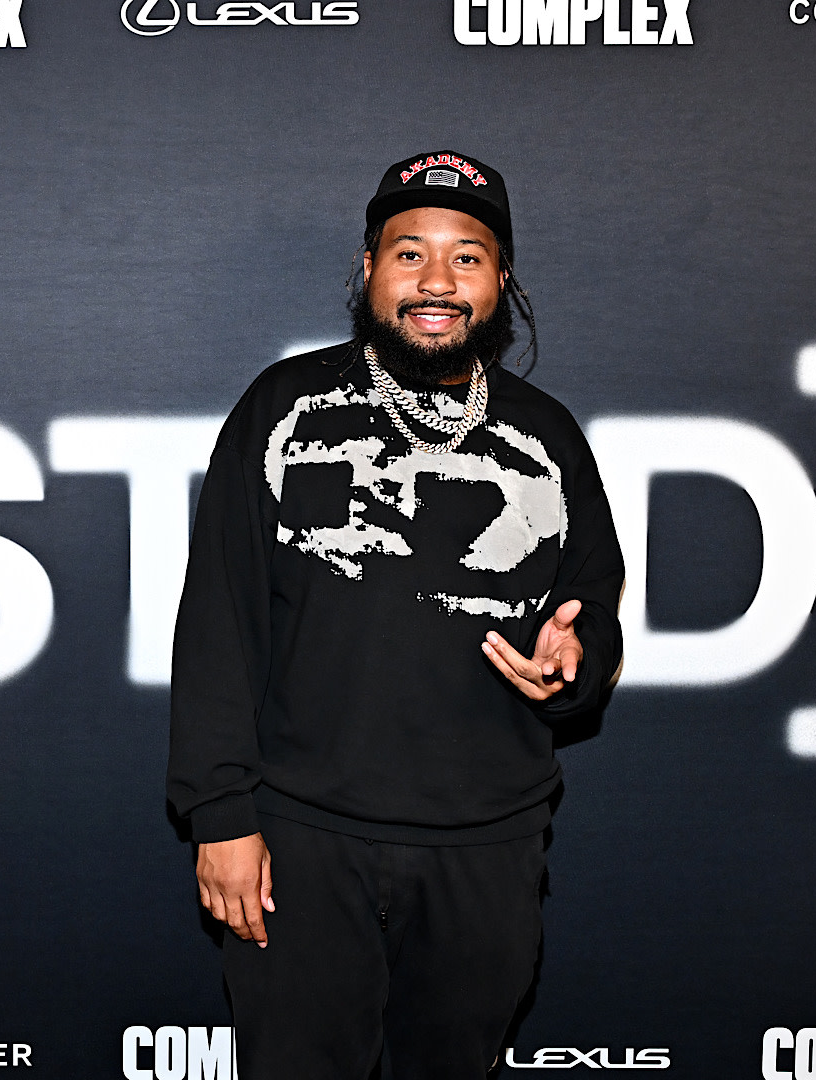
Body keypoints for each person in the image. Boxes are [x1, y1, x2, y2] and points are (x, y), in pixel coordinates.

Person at [166, 151, 625, 1079]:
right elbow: (218, 625)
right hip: (299, 844)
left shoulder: (549, 437)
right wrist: (219, 817)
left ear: (501, 281)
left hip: (487, 848)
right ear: (368, 268)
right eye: (410, 253)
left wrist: (572, 666)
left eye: (467, 257)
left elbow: (593, 616)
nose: (437, 282)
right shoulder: (283, 411)